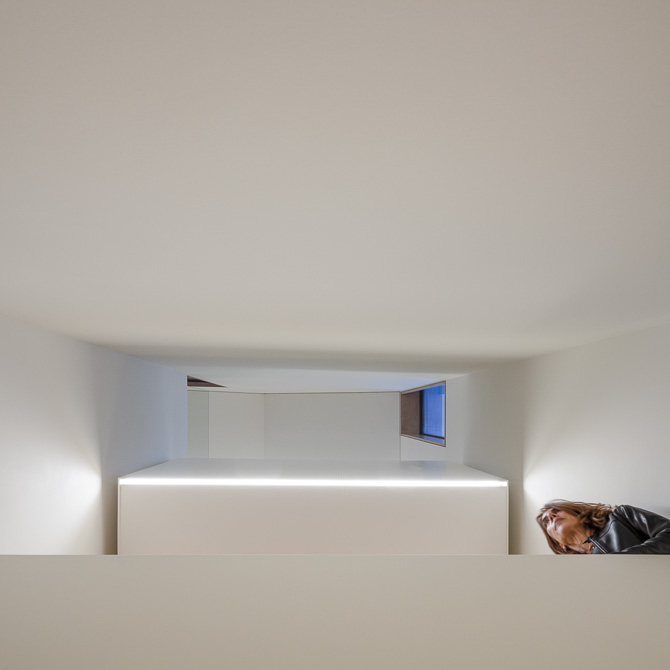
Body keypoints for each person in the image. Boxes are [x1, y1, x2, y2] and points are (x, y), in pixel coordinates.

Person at [537, 500, 670, 554]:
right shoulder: (576, 574)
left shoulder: (621, 517)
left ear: (577, 513)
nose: (551, 516)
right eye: (546, 522)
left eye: (556, 511)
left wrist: (624, 560)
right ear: (560, 545)